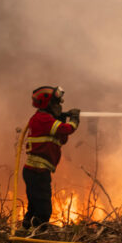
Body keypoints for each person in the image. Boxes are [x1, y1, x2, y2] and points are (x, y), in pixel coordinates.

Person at [22, 86, 80, 230]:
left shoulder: (45, 120)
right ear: (47, 105)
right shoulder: (43, 119)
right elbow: (67, 129)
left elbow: (62, 139)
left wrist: (60, 119)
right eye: (56, 104)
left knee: (34, 206)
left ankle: (26, 231)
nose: (59, 107)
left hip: (35, 171)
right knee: (44, 210)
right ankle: (40, 236)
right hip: (38, 172)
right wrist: (74, 119)